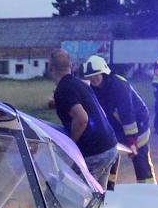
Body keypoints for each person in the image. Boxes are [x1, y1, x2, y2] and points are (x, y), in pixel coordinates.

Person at [81, 55, 156, 185]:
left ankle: (149, 191)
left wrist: (132, 141)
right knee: (110, 157)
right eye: (91, 77)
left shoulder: (118, 86)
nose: (93, 79)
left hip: (138, 124)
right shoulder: (94, 88)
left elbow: (127, 114)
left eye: (96, 75)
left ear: (104, 73)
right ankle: (108, 190)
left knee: (140, 159)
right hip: (116, 127)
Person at [48, 49, 118, 186]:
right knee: (98, 196)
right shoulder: (80, 84)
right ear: (71, 66)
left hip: (95, 153)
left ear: (50, 68)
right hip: (110, 146)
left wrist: (69, 144)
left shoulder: (63, 89)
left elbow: (82, 118)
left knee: (70, 193)